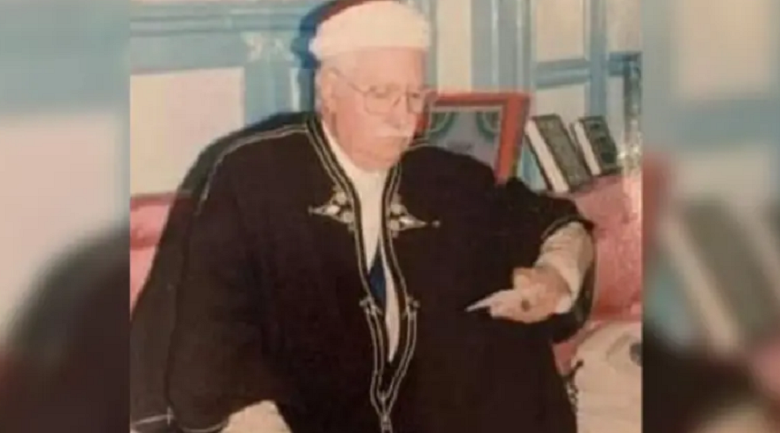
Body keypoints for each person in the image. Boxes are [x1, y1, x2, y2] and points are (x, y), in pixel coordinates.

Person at [130, 1, 596, 432]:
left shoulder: (446, 177)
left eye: (414, 96)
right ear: (328, 91)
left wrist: (554, 276)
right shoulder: (253, 178)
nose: (403, 118)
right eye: (381, 94)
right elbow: (213, 348)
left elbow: (555, 223)